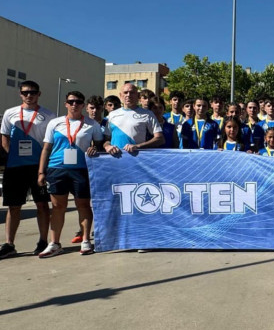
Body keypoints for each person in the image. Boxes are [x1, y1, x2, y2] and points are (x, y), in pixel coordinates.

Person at [37, 90, 105, 257]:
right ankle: (55, 243)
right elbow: (46, 148)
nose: (75, 104)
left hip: (81, 170)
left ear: (83, 105)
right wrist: (41, 172)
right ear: (66, 104)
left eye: (78, 102)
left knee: (83, 205)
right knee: (58, 207)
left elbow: (99, 145)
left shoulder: (91, 124)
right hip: (56, 169)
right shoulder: (55, 123)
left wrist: (94, 148)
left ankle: (86, 241)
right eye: (71, 101)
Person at [0, 81, 54, 258]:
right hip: (15, 167)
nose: (29, 95)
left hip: (37, 167)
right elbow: (5, 138)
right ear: (20, 94)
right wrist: (13, 156)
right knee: (13, 206)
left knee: (42, 204)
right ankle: (9, 244)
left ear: (39, 94)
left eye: (33, 92)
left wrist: (44, 166)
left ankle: (43, 241)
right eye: (25, 93)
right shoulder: (10, 113)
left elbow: (50, 142)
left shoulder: (48, 115)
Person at [103, 83, 164, 155]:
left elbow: (160, 139)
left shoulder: (148, 114)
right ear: (120, 95)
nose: (128, 95)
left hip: (136, 159)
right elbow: (107, 139)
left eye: (132, 93)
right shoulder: (112, 114)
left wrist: (138, 146)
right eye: (125, 92)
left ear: (138, 96)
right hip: (115, 158)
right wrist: (107, 146)